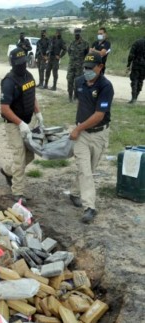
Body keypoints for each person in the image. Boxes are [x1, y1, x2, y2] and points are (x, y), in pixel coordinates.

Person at [69, 52, 113, 224]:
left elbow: (99, 115)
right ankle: (90, 207)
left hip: (99, 134)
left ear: (100, 67)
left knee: (89, 168)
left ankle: (74, 192)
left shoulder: (106, 86)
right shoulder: (79, 81)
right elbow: (81, 102)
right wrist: (78, 126)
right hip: (82, 135)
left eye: (90, 68)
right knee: (85, 170)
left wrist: (77, 128)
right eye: (85, 68)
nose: (86, 71)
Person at [0, 48, 44, 206]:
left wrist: (38, 113)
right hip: (13, 124)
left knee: (30, 154)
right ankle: (17, 192)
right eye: (19, 63)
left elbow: (31, 96)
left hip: (28, 121)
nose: (22, 65)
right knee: (19, 155)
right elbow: (4, 108)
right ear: (13, 63)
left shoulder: (29, 76)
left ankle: (8, 171)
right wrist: (20, 124)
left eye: (24, 62)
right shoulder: (9, 81)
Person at [66, 28, 89, 102]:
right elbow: (69, 52)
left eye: (78, 34)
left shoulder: (85, 44)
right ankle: (70, 96)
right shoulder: (72, 43)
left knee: (78, 82)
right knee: (69, 80)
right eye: (76, 34)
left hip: (79, 66)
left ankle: (76, 96)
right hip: (71, 66)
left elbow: (87, 54)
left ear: (80, 34)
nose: (77, 36)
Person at [127, 36, 145, 104]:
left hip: (136, 64)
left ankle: (133, 98)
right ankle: (136, 97)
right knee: (140, 80)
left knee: (134, 80)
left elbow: (131, 54)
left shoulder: (137, 42)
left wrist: (128, 64)